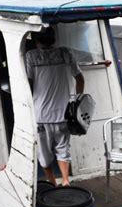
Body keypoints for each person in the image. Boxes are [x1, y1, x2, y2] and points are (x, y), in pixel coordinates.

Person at [25, 27, 84, 186]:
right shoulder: (66, 53)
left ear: (36, 40)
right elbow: (80, 79)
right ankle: (65, 180)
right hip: (64, 114)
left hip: (41, 117)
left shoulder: (31, 56)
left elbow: (29, 85)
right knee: (63, 149)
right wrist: (76, 103)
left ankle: (52, 183)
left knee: (44, 154)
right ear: (54, 39)